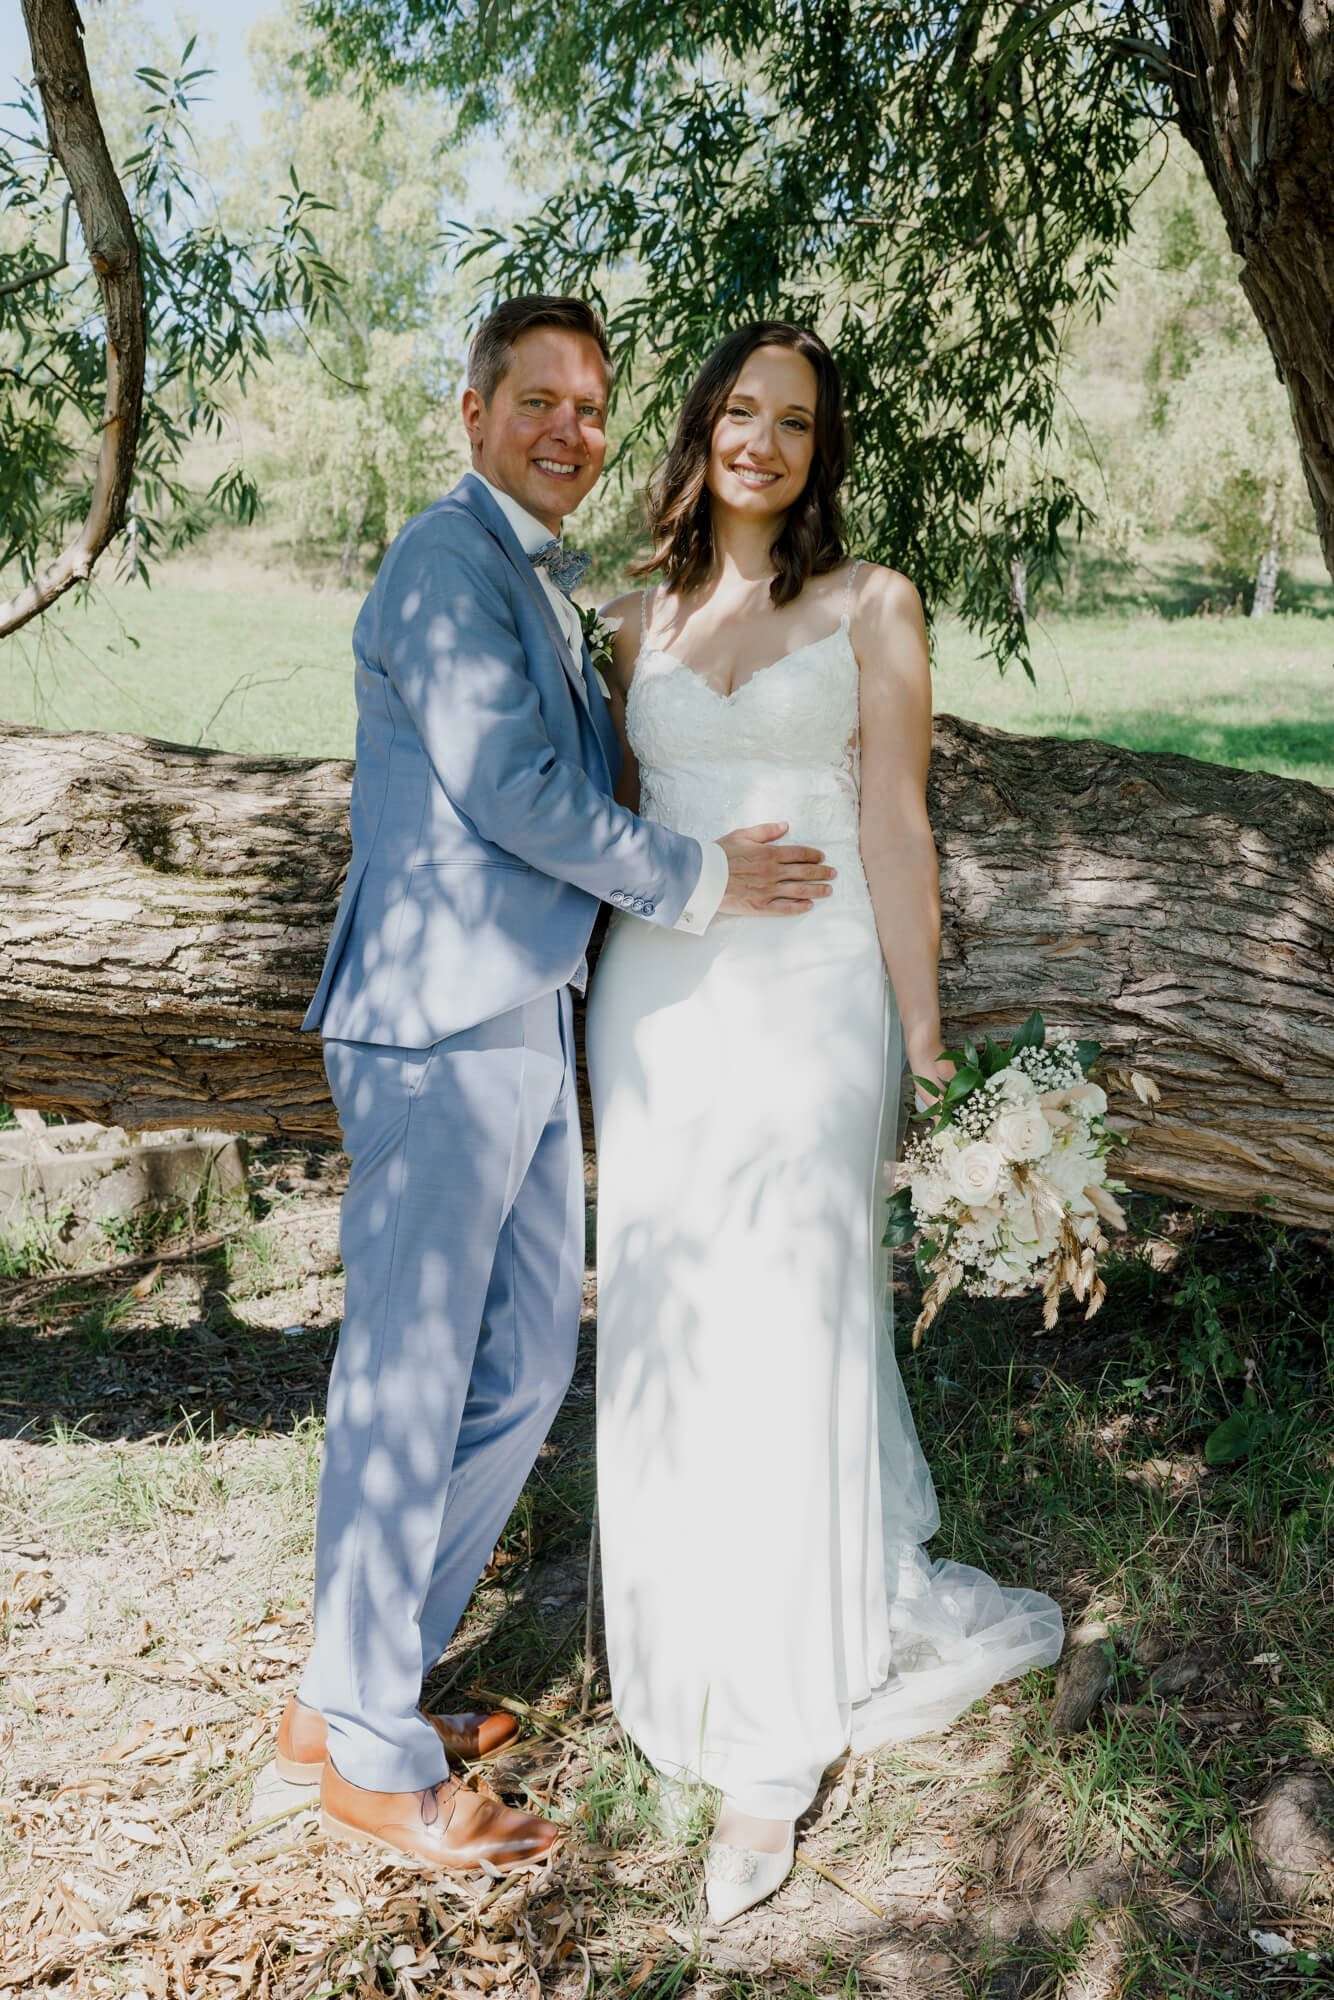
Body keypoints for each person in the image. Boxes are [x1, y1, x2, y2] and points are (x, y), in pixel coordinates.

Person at [283, 296, 836, 1874]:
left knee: (523, 1361)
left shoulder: (536, 575)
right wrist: (699, 879)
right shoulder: (441, 562)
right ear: (471, 414)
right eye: (538, 399)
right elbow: (517, 793)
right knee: (407, 1375)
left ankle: (355, 1682)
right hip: (435, 1023)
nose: (570, 429)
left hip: (525, 1020)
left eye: (592, 406)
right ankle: (374, 1763)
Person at [587, 323, 1065, 1925]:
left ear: (820, 448)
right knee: (670, 1312)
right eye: (740, 411)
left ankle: (774, 1737)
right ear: (701, 427)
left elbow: (895, 822)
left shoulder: (871, 605)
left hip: (815, 1003)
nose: (763, 441)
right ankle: (681, 1637)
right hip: (654, 1004)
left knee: (793, 1322)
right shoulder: (628, 616)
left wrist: (921, 1030)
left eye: (794, 421)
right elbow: (601, 826)